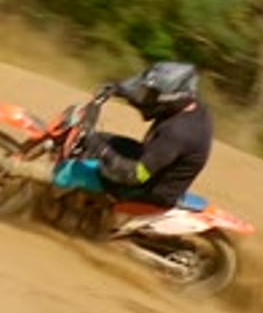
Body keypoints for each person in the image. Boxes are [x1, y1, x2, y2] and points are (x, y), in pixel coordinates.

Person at [88, 61, 213, 207]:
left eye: (152, 95)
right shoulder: (189, 105)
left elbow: (136, 175)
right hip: (156, 164)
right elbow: (150, 101)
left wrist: (98, 149)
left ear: (172, 98)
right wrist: (119, 90)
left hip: (151, 192)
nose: (147, 97)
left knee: (92, 159)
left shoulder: (177, 132)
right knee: (100, 140)